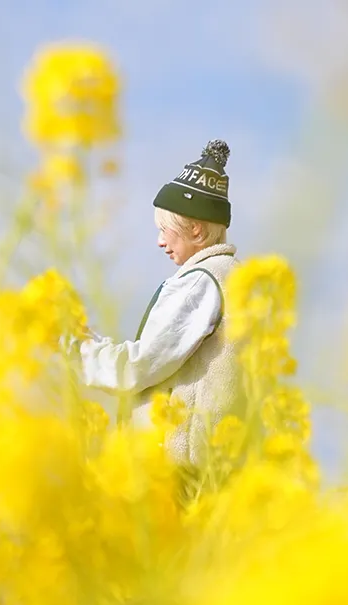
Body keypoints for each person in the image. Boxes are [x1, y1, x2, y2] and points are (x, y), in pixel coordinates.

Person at [79, 140, 239, 467]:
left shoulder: (201, 282)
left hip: (182, 474)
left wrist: (75, 350)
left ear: (195, 228)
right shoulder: (231, 277)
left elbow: (142, 365)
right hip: (217, 465)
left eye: (165, 230)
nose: (160, 241)